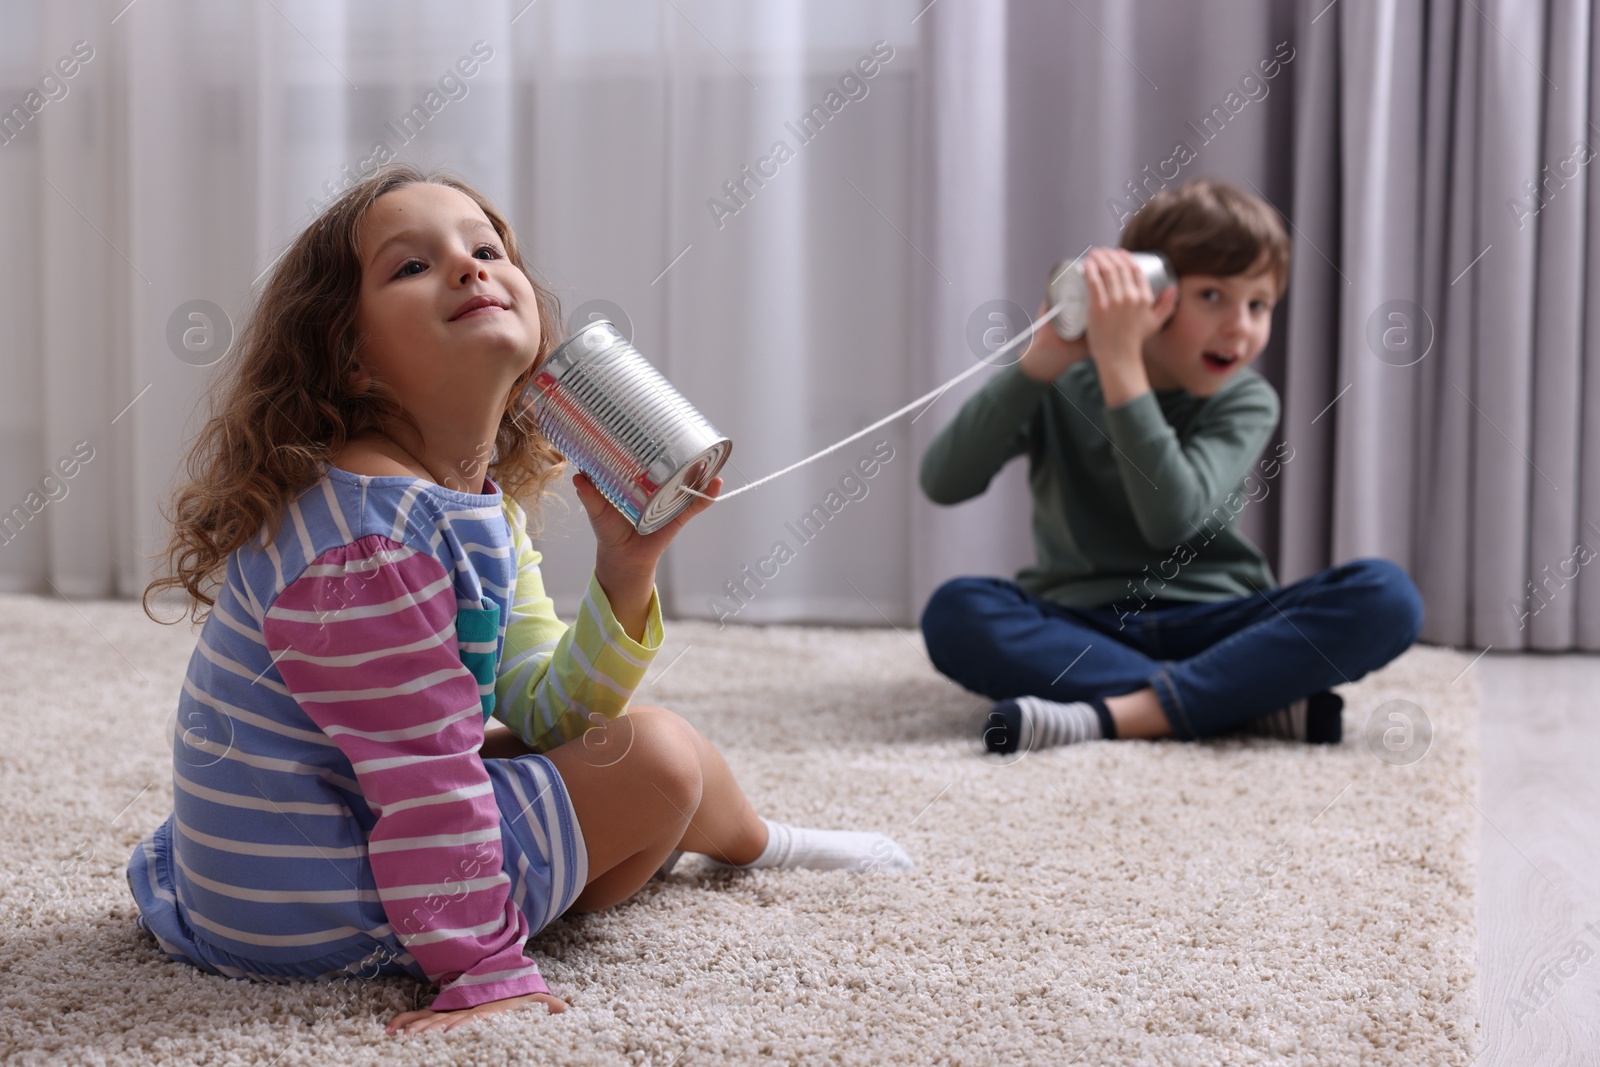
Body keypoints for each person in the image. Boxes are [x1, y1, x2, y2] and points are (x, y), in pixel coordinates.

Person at [130, 164, 911, 1036]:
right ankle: (750, 843)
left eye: (485, 248)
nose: (469, 268)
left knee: (610, 755)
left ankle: (749, 840)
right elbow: (426, 785)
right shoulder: (371, 547)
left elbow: (544, 711)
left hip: (294, 849)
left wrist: (626, 569)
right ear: (347, 354)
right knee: (656, 756)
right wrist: (484, 973)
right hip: (307, 913)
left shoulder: (471, 503)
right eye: (412, 266)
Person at [918, 178, 1423, 754]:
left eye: (1259, 305)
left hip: (1220, 623)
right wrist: (1036, 367)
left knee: (1387, 595)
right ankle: (1239, 702)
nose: (1240, 326)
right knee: (957, 611)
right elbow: (944, 481)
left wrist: (1119, 362)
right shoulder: (1064, 385)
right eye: (1213, 297)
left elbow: (1170, 520)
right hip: (1084, 623)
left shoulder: (1245, 398)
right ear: (1149, 291)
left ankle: (1111, 714)